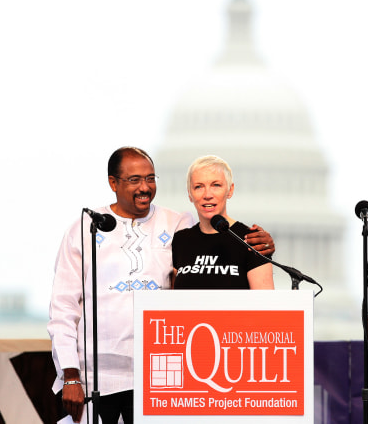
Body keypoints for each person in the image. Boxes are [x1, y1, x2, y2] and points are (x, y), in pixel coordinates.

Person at [47, 147, 275, 423]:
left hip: (158, 376)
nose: (144, 187)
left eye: (150, 178)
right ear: (113, 183)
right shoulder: (86, 227)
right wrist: (70, 375)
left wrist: (261, 244)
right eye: (134, 180)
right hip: (95, 377)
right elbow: (63, 308)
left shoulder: (177, 223)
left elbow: (210, 251)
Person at [172, 155, 274, 289]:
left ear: (230, 190)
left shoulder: (252, 240)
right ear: (190, 194)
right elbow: (172, 302)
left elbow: (265, 305)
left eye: (216, 185)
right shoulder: (181, 240)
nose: (207, 195)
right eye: (198, 187)